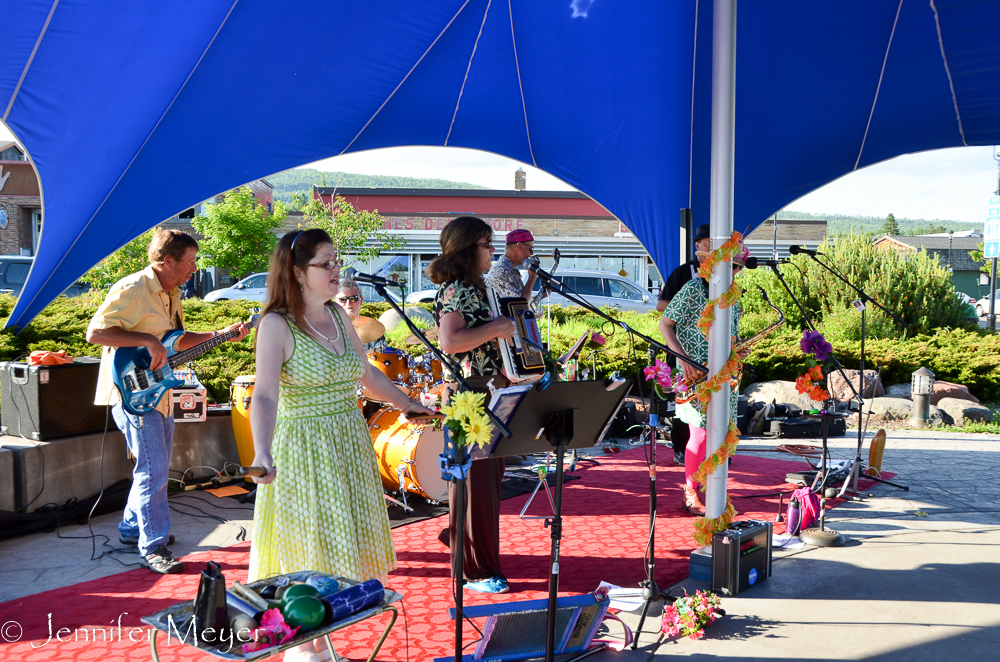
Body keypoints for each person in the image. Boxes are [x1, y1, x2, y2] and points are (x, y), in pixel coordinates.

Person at [247, 229, 433, 587]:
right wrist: (261, 451)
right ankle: (305, 642)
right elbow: (265, 395)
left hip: (348, 440)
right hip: (305, 451)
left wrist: (409, 404)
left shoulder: (337, 314)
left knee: (347, 555)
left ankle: (327, 630)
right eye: (325, 263)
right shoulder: (276, 324)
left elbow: (366, 373)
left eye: (337, 261)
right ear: (297, 272)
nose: (336, 270)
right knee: (310, 556)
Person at [87, 229, 251, 574]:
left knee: (153, 469)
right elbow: (96, 333)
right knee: (153, 470)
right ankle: (153, 546)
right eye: (190, 261)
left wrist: (222, 334)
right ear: (168, 261)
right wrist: (146, 339)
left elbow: (176, 340)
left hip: (158, 393)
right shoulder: (132, 289)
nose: (194, 268)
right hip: (132, 393)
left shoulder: (171, 292)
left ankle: (133, 529)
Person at [430, 216, 517, 594]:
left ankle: (465, 547)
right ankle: (474, 570)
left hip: (487, 392)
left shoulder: (473, 288)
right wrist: (497, 328)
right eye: (486, 244)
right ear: (468, 249)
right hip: (470, 396)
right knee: (476, 486)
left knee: (486, 483)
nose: (493, 250)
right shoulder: (457, 290)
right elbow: (450, 342)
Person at [658, 242, 744, 516]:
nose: (736, 272)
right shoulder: (694, 288)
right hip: (694, 373)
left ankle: (714, 488)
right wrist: (682, 358)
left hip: (723, 374)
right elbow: (664, 323)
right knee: (701, 432)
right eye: (733, 266)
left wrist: (740, 346)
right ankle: (690, 491)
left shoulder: (733, 295)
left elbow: (732, 331)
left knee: (720, 434)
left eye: (738, 267)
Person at [655, 224, 711, 466]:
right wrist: (687, 308)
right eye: (707, 243)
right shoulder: (683, 273)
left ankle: (712, 451)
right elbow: (660, 306)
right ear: (697, 246)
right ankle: (681, 448)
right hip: (682, 347)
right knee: (685, 401)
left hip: (712, 350)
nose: (711, 247)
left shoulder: (725, 274)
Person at [484, 228, 538, 300]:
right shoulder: (502, 270)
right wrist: (532, 277)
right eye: (530, 249)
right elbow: (521, 304)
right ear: (519, 246)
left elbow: (523, 301)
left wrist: (542, 295)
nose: (532, 253)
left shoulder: (510, 269)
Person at [336, 278, 387, 351]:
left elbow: (383, 359)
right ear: (336, 302)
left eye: (353, 298)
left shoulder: (373, 329)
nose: (348, 303)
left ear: (361, 300)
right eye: (343, 299)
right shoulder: (328, 328)